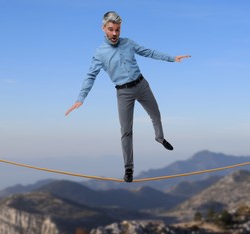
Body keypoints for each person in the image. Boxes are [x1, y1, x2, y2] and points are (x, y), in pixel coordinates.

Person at [66, 11, 190, 183]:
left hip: (142, 85)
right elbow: (90, 76)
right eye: (111, 29)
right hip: (123, 92)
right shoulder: (99, 53)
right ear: (103, 29)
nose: (115, 33)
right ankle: (128, 168)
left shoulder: (128, 43)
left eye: (117, 30)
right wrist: (81, 98)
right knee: (126, 131)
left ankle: (159, 138)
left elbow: (149, 52)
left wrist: (172, 58)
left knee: (156, 114)